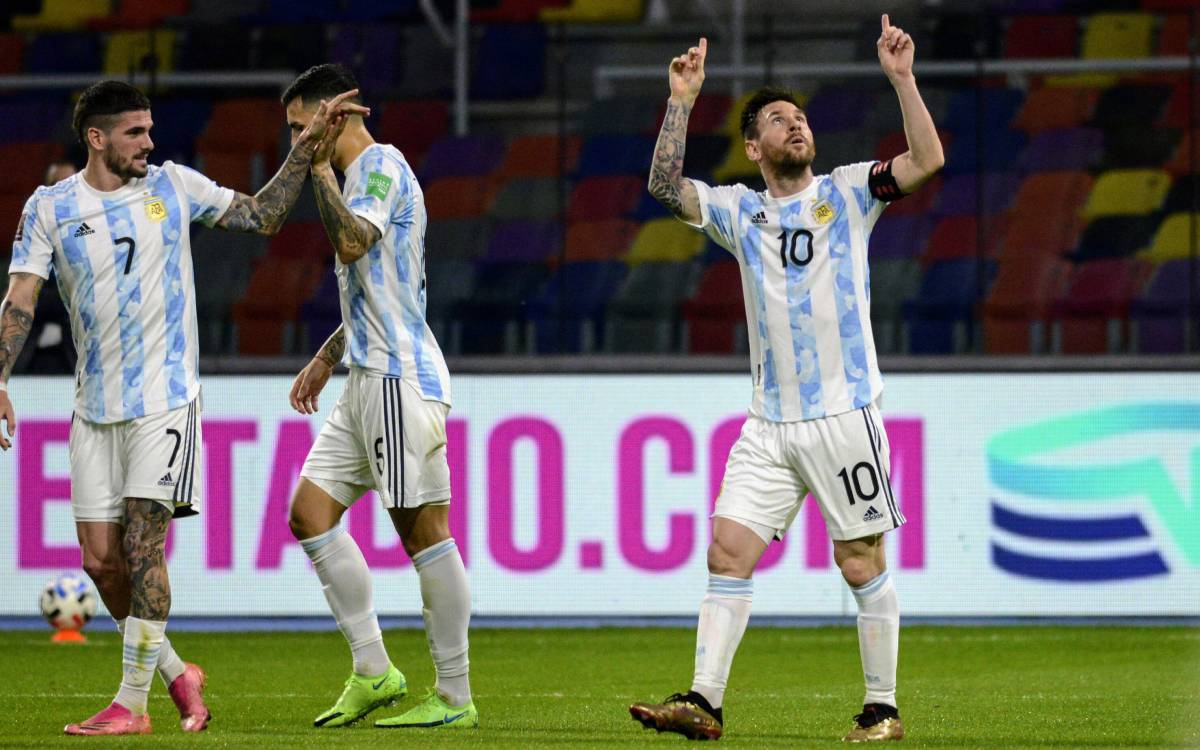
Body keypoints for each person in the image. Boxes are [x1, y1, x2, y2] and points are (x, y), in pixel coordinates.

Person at [0, 79, 365, 736]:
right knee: (101, 563)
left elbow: (261, 215)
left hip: (165, 401)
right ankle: (176, 673)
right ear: (97, 138)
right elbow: (21, 297)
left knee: (144, 547)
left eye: (149, 129)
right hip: (94, 408)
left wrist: (306, 150)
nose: (149, 142)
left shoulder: (174, 186)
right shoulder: (49, 207)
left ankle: (132, 706)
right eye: (135, 132)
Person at [629, 16, 943, 743]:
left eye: (800, 118)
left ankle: (882, 710)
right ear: (752, 147)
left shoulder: (849, 192)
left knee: (859, 559)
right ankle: (704, 701)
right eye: (777, 120)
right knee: (726, 551)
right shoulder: (739, 213)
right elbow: (661, 184)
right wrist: (682, 98)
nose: (795, 126)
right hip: (768, 424)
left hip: (843, 415)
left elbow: (926, 159)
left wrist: (902, 78)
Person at [280, 64, 475, 730]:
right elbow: (379, 286)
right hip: (365, 371)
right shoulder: (362, 176)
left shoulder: (381, 168)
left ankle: (454, 695)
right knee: (309, 514)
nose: (295, 143)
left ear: (331, 116)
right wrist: (325, 357)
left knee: (423, 533)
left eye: (301, 128)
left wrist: (317, 172)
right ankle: (374, 670)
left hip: (398, 376)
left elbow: (354, 240)